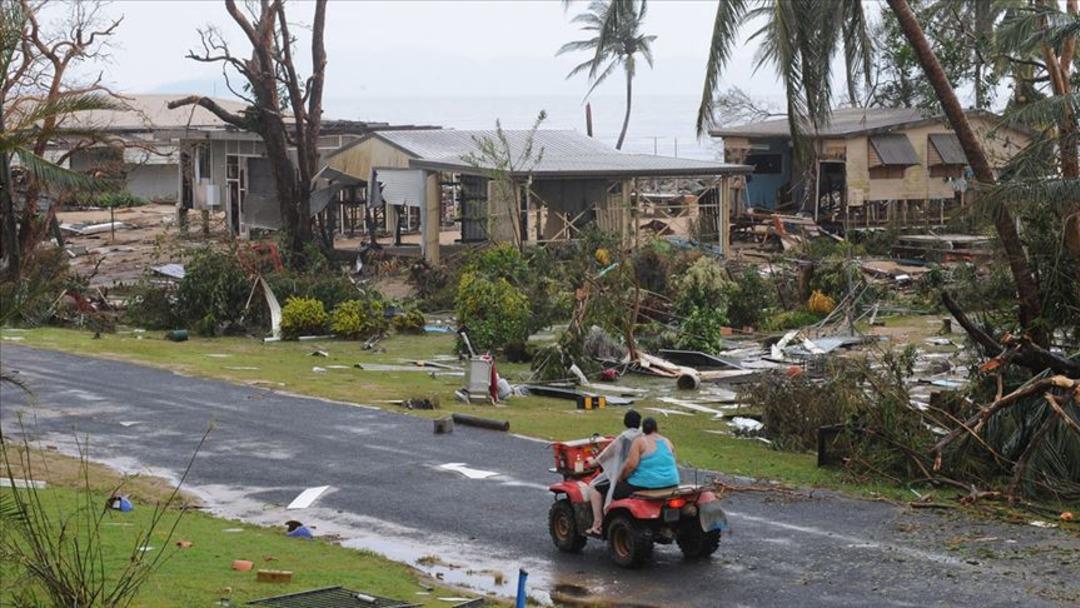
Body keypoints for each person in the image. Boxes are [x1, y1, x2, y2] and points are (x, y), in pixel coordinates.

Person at [584, 409, 642, 536]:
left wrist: (592, 461)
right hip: (641, 475)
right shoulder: (643, 436)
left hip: (625, 476)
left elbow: (606, 455)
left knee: (594, 487)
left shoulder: (624, 438)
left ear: (625, 422)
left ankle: (597, 523)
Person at [613, 417, 679, 500]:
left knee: (616, 491)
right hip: (672, 482)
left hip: (646, 484)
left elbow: (631, 465)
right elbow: (674, 461)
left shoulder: (640, 441)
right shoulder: (667, 441)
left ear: (643, 430)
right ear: (656, 428)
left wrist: (621, 477)